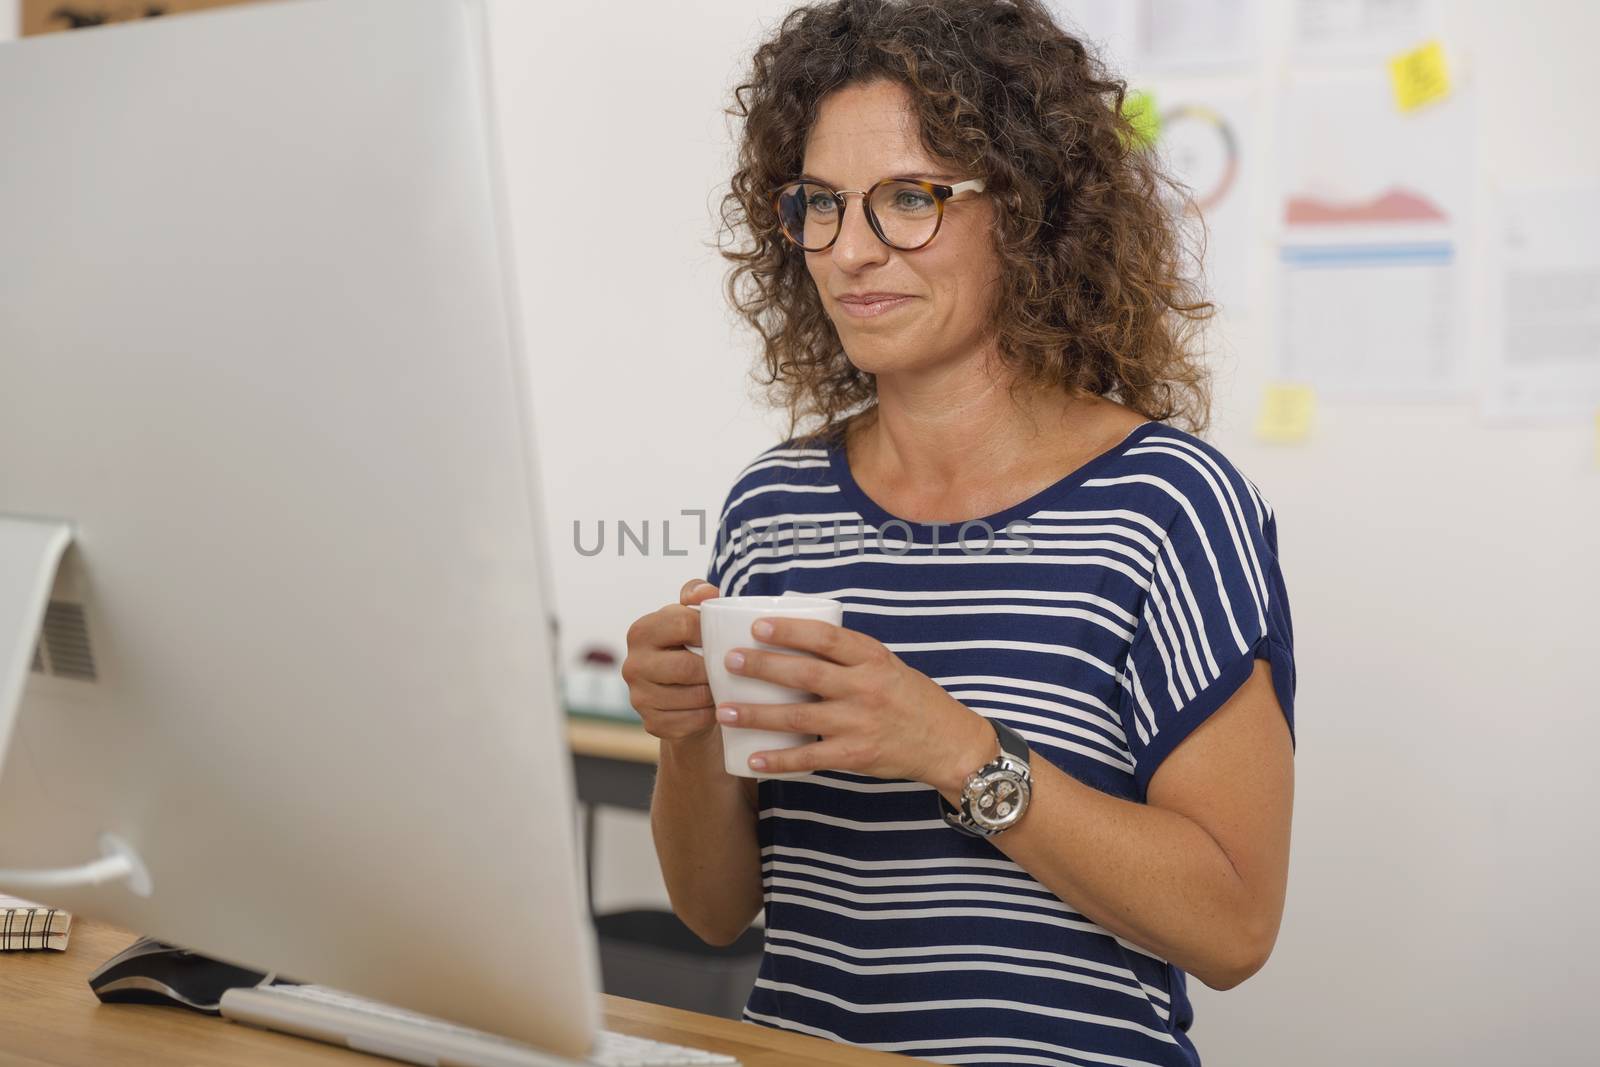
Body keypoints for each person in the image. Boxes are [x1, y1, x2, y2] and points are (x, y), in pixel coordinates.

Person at [621, 2, 1297, 1063]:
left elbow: (1234, 924)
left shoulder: (1168, 504)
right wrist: (688, 734)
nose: (850, 252)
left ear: (1027, 211)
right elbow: (713, 911)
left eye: (909, 199)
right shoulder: (772, 508)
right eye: (821, 205)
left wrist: (954, 747)